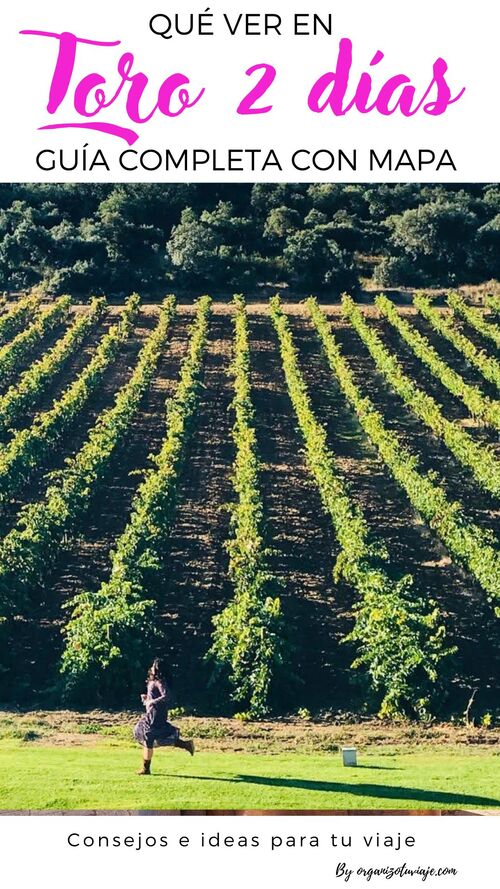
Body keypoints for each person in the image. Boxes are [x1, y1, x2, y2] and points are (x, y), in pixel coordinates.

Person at [134, 657, 194, 775]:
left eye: (153, 666)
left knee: (149, 735)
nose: (151, 668)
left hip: (156, 714)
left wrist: (152, 702)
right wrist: (147, 698)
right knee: (151, 736)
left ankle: (146, 769)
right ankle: (186, 745)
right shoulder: (154, 681)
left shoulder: (159, 682)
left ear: (158, 669)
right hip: (152, 713)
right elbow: (155, 696)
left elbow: (166, 696)